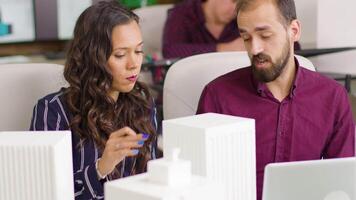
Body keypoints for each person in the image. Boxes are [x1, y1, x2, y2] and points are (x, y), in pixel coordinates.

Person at [196, 0, 355, 200]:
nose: (254, 49)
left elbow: (341, 184)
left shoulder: (333, 98)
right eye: (246, 37)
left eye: (265, 35)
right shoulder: (217, 96)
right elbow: (198, 183)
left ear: (294, 31)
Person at [30, 1, 158, 199]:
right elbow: (42, 191)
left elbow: (154, 182)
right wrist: (101, 167)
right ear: (92, 57)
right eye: (120, 54)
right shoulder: (53, 111)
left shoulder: (143, 106)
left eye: (139, 51)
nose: (134, 64)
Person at [162, 0, 245, 59]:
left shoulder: (242, 19)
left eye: (241, 4)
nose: (235, 9)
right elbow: (169, 51)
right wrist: (221, 49)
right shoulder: (183, 12)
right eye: (233, 1)